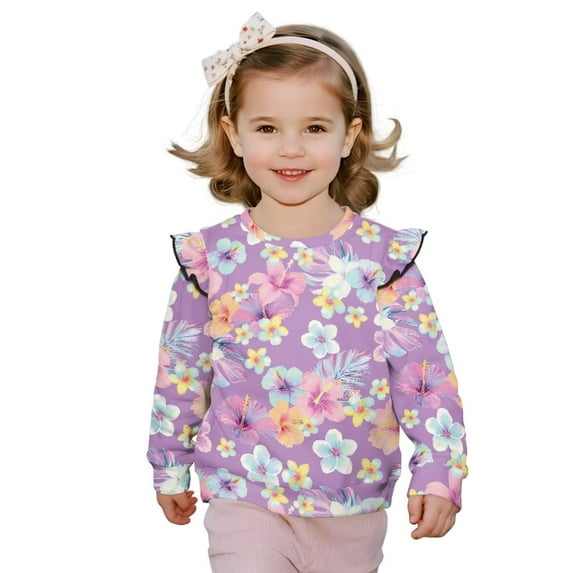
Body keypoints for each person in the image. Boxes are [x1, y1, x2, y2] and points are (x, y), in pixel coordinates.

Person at [147, 12, 467, 573]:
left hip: (352, 502)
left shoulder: (385, 261)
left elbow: (424, 376)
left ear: (350, 136)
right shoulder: (210, 259)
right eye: (267, 128)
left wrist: (440, 471)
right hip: (243, 493)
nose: (291, 148)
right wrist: (169, 463)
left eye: (315, 128)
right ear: (233, 133)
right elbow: (181, 369)